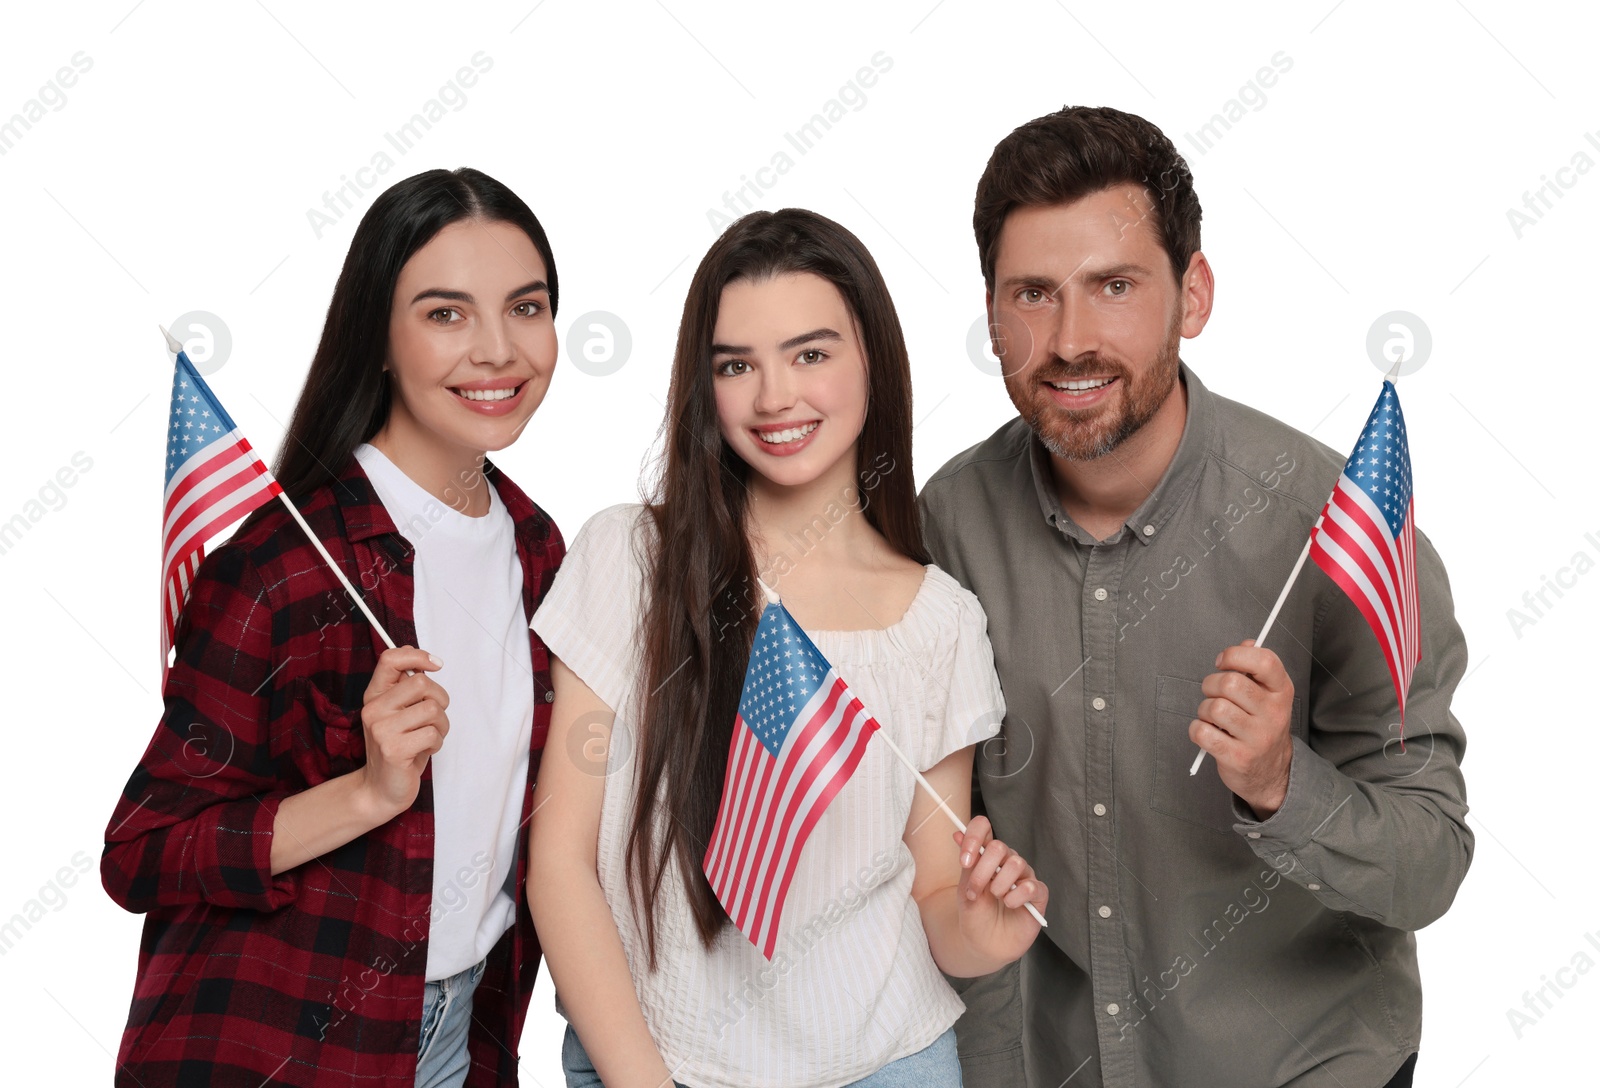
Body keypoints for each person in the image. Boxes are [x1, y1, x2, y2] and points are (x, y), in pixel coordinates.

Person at [920, 106, 1470, 1088]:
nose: (1071, 339)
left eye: (1114, 286)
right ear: (991, 310)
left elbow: (1428, 862)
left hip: (1300, 1062)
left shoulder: (1333, 527)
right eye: (1032, 294)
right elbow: (955, 839)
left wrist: (1274, 780)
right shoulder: (950, 519)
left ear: (1193, 293)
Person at [526, 208, 1049, 1088]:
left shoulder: (940, 620)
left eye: (811, 354)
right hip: (656, 1065)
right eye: (738, 365)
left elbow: (930, 893)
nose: (775, 398)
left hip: (890, 1065)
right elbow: (560, 863)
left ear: (872, 361)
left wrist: (983, 930)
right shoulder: (628, 557)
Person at [101, 167, 566, 1088]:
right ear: (379, 340)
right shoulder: (285, 566)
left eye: (526, 306)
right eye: (445, 314)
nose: (497, 350)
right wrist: (368, 792)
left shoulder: (540, 549)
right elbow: (140, 854)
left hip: (461, 1038)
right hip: (279, 1044)